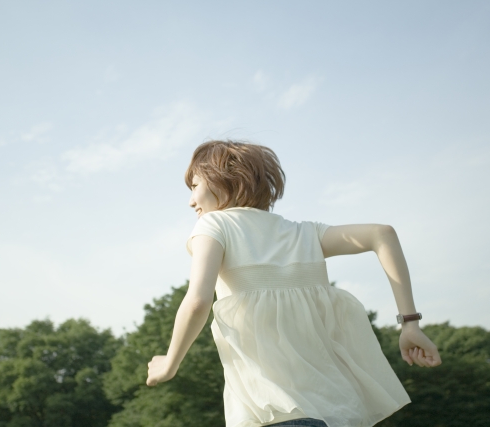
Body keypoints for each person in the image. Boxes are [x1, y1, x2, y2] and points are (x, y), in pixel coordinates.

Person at [146, 140, 442, 427]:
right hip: (338, 413)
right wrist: (410, 324)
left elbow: (198, 301)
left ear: (223, 181)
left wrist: (170, 362)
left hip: (275, 415)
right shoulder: (304, 233)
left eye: (195, 186)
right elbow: (383, 234)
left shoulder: (214, 225)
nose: (191, 200)